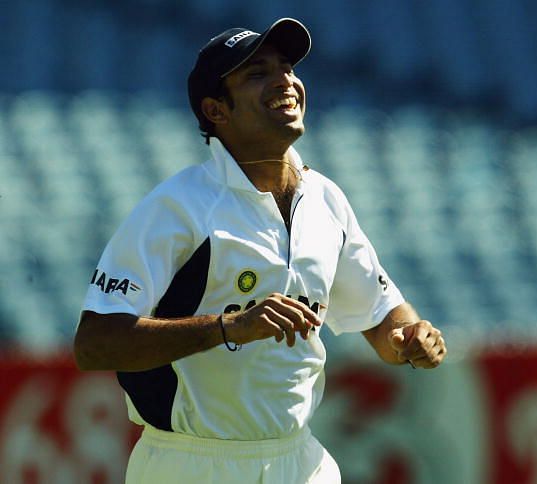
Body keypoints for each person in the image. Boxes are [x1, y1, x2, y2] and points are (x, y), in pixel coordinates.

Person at [74, 17, 447, 484]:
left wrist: (411, 339)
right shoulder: (179, 206)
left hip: (302, 461)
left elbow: (381, 317)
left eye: (287, 66)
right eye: (257, 74)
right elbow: (94, 344)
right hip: (191, 464)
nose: (284, 81)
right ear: (216, 110)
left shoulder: (326, 199)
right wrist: (229, 327)